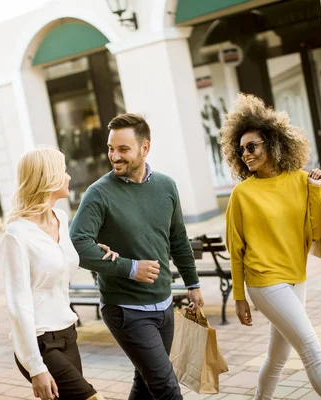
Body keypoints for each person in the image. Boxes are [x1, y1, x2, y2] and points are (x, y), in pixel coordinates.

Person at [70, 113, 205, 400]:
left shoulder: (166, 186)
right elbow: (78, 244)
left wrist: (193, 284)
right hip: (125, 309)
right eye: (110, 148)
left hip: (164, 304)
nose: (114, 156)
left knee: (145, 384)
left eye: (123, 149)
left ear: (145, 148)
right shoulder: (98, 194)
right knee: (167, 387)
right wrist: (130, 268)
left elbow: (178, 238)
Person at [220, 94, 321, 400]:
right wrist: (239, 297)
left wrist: (315, 192)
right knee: (312, 352)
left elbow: (315, 232)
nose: (246, 154)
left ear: (273, 143)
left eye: (252, 146)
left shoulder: (300, 181)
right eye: (241, 150)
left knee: (277, 358)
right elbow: (235, 249)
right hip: (265, 282)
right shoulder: (242, 194)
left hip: (296, 277)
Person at [1, 147, 111, 400]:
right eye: (62, 170)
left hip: (68, 333)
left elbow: (62, 261)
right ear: (47, 177)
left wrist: (94, 250)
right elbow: (18, 306)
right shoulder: (17, 235)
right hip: (40, 342)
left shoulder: (60, 218)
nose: (69, 176)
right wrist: (36, 367)